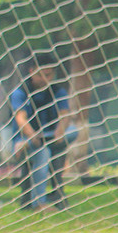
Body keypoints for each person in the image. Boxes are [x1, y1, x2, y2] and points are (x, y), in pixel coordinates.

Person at [10, 51, 78, 211]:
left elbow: (65, 115)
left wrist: (60, 131)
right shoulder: (21, 92)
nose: (46, 79)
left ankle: (49, 145)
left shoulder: (57, 91)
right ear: (32, 72)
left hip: (50, 137)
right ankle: (39, 203)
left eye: (50, 75)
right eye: (42, 75)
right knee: (43, 154)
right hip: (27, 139)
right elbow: (21, 118)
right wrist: (33, 136)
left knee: (73, 131)